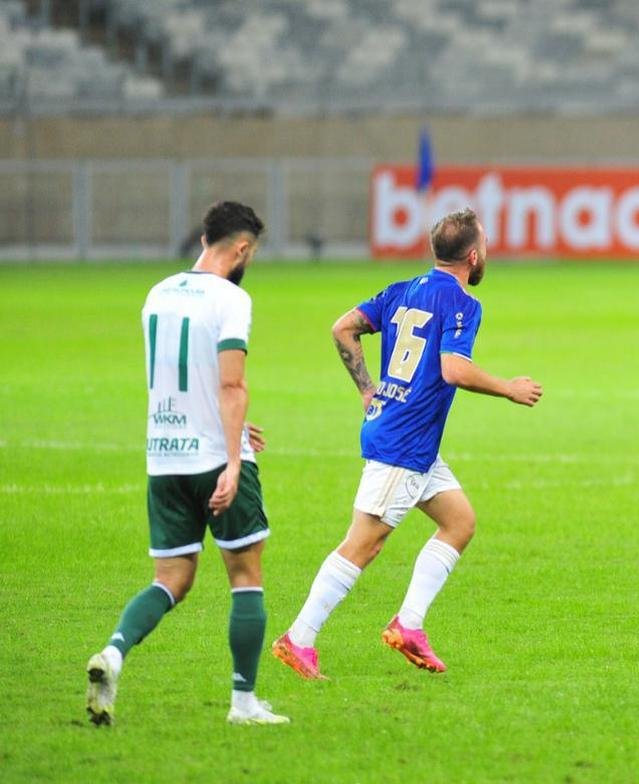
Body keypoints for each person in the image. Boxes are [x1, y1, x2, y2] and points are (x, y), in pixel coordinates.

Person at [272, 207, 542, 678]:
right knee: (363, 545)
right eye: (487, 248)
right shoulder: (462, 304)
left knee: (459, 522)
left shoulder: (400, 291)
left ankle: (409, 625)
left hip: (411, 441)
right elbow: (453, 369)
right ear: (474, 256)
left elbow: (343, 327)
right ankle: (298, 638)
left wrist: (366, 388)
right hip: (402, 444)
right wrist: (509, 388)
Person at [86, 201, 289, 725]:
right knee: (246, 573)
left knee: (171, 576)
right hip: (212, 458)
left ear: (204, 238)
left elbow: (181, 375)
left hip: (164, 457)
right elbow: (229, 382)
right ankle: (243, 703)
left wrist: (235, 427)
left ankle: (113, 652)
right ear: (241, 249)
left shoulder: (157, 294)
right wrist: (233, 461)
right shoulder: (231, 298)